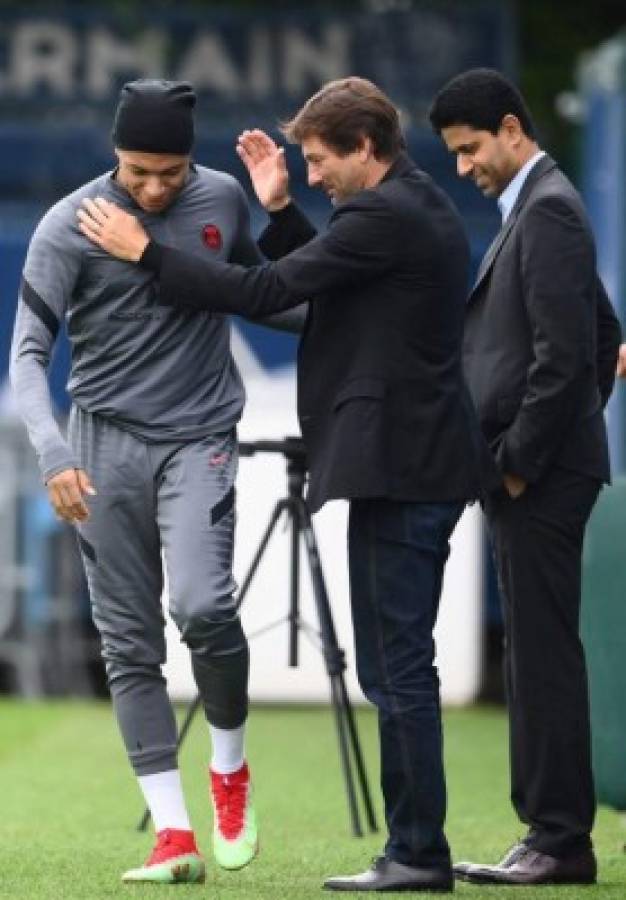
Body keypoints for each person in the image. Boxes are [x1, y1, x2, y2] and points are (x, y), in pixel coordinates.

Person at [77, 75, 487, 893]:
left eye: (317, 158)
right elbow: (331, 279)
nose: (310, 174)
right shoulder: (403, 209)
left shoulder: (386, 213)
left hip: (405, 467)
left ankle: (416, 853)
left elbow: (270, 291)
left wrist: (147, 253)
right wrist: (276, 213)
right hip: (413, 463)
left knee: (397, 672)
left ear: (365, 147)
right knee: (395, 667)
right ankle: (412, 847)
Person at [10, 79, 267, 884]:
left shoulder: (224, 199)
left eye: (170, 172)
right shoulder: (69, 224)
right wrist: (53, 452)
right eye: (136, 170)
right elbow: (25, 355)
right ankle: (174, 834)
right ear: (113, 156)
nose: (153, 188)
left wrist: (366, 311)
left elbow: (269, 294)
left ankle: (230, 769)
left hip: (199, 437)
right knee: (128, 644)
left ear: (194, 161)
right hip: (100, 447)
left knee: (202, 605)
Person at [428, 68, 621, 886]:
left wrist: (517, 466)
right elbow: (607, 334)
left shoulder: (547, 211)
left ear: (512, 128)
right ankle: (547, 832)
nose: (465, 167)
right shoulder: (544, 208)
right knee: (536, 653)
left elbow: (564, 359)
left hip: (535, 478)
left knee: (542, 657)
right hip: (546, 470)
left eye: (471, 150)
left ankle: (559, 840)